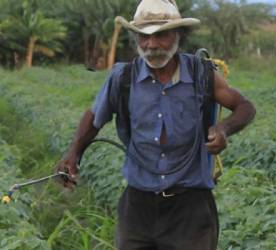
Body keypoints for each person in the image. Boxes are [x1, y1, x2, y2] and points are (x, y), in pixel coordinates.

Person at [56, 0, 256, 249]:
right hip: (138, 208)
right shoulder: (123, 78)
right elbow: (94, 117)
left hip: (190, 209)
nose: (151, 45)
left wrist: (224, 129)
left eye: (160, 35)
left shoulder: (200, 75)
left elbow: (245, 106)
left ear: (178, 35)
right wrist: (74, 153)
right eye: (144, 37)